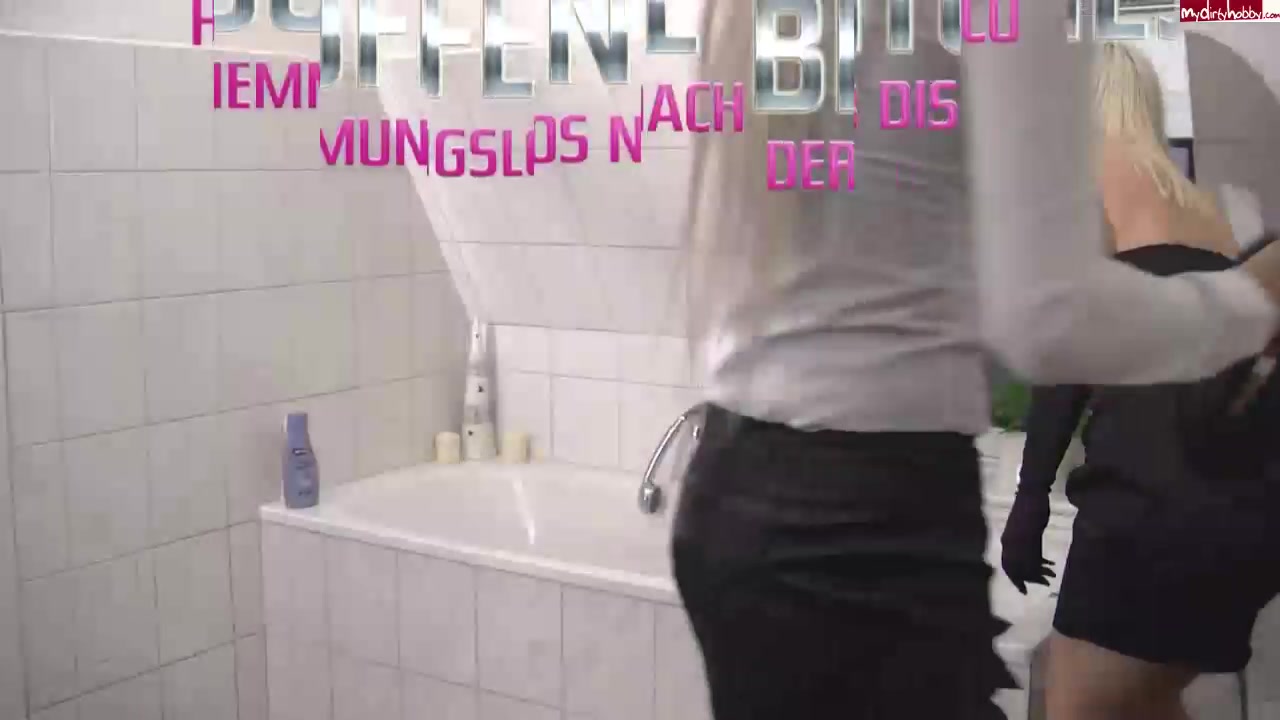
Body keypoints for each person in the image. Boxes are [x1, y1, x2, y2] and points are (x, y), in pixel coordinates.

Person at [672, 1, 1280, 718]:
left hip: (736, 498)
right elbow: (1048, 321)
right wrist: (1255, 303)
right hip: (862, 517)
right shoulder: (1195, 202)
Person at [999, 42, 1280, 720]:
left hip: (1144, 508)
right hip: (1241, 508)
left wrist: (1029, 501)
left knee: (1079, 707)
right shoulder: (1207, 210)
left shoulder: (1085, 185)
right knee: (1145, 701)